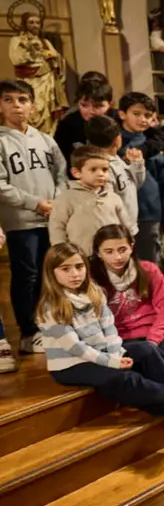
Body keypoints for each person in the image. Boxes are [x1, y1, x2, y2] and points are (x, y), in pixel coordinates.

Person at [38, 242, 164, 420]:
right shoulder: (51, 308)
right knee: (119, 377)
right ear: (52, 273)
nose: (75, 274)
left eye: (79, 266)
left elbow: (109, 328)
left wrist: (116, 353)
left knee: (146, 350)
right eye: (65, 269)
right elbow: (76, 348)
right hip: (71, 364)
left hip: (101, 353)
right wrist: (111, 361)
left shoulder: (94, 293)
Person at [0, 78, 67, 354]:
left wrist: (57, 201)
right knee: (25, 276)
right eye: (9, 100)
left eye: (23, 99)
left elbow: (62, 174)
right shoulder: (1, 141)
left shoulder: (45, 140)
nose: (17, 105)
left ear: (32, 104)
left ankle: (47, 326)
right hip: (20, 222)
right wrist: (35, 203)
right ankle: (28, 332)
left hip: (49, 219)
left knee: (46, 275)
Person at [90, 224, 164, 382]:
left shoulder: (148, 269)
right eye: (109, 251)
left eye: (122, 249)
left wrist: (154, 338)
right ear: (98, 253)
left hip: (151, 334)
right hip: (117, 340)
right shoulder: (92, 278)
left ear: (131, 247)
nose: (117, 257)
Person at [115, 92, 164, 264]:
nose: (142, 119)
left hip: (148, 211)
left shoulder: (153, 143)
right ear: (122, 114)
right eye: (136, 114)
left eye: (147, 115)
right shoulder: (112, 141)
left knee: (149, 263)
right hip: (118, 212)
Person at [49, 145, 129, 253]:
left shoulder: (114, 197)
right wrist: (62, 251)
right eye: (93, 170)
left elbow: (125, 226)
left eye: (105, 170)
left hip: (110, 256)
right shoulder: (67, 198)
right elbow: (57, 227)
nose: (101, 174)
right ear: (76, 173)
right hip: (81, 256)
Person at [83, 115, 142, 239]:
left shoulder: (116, 159)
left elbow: (134, 186)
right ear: (117, 139)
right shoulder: (99, 166)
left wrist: (137, 165)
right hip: (114, 233)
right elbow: (105, 205)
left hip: (127, 229)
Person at [8, 12, 67, 134]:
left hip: (47, 82)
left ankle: (48, 137)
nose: (35, 25)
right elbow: (16, 58)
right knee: (31, 109)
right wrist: (29, 50)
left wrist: (50, 56)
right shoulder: (17, 40)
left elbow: (57, 58)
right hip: (29, 81)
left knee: (46, 112)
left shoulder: (45, 42)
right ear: (25, 24)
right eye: (31, 22)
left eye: (37, 22)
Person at [55, 75, 112, 169]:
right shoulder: (67, 125)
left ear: (110, 104)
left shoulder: (116, 120)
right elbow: (60, 159)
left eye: (97, 106)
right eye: (84, 105)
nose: (90, 111)